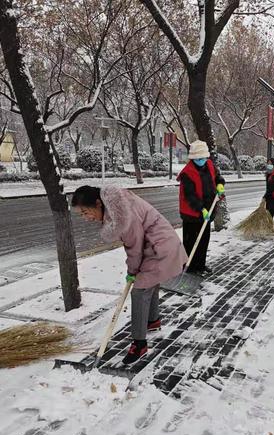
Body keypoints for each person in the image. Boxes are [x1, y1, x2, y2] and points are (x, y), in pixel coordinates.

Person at [71, 185, 188, 364]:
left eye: (86, 212)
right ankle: (153, 321)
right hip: (160, 243)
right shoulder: (117, 205)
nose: (86, 218)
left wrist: (132, 271)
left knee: (139, 290)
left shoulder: (123, 217)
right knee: (150, 282)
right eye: (82, 215)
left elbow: (134, 248)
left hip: (159, 248)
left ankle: (139, 344)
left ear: (98, 203)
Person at [177, 140, 225, 274]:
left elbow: (218, 177)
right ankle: (189, 268)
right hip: (192, 214)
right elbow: (190, 196)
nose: (201, 160)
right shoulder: (187, 173)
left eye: (203, 158)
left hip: (208, 211)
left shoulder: (209, 165)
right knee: (191, 242)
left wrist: (220, 184)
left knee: (203, 240)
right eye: (198, 158)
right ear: (193, 158)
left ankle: (200, 265)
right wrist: (201, 209)